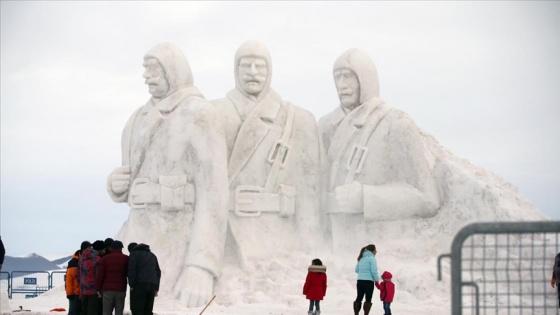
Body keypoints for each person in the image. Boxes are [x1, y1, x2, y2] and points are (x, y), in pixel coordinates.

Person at [106, 42, 228, 307]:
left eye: (153, 68)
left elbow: (214, 193)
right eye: (145, 69)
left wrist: (201, 266)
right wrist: (116, 185)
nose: (145, 76)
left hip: (176, 241)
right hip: (134, 236)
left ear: (172, 70)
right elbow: (129, 182)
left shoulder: (200, 113)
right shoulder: (135, 119)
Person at [317, 48, 441, 254]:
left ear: (364, 79)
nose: (342, 85)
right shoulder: (324, 126)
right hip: (330, 246)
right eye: (337, 78)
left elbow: (427, 198)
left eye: (348, 77)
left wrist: (366, 197)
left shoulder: (396, 123)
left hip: (379, 247)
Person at [212, 40, 322, 269]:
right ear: (236, 70)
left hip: (277, 237)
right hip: (224, 234)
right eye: (246, 65)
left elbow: (309, 192)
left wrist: (311, 246)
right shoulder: (212, 112)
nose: (253, 72)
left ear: (269, 70)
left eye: (260, 66)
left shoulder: (298, 119)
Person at [95, 241, 129, 315]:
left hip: (107, 290)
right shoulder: (126, 258)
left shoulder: (105, 258)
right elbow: (128, 273)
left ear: (111, 248)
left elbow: (100, 275)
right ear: (121, 248)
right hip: (121, 289)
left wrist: (98, 288)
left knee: (106, 312)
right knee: (119, 312)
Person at [128, 243, 161, 315]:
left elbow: (131, 269)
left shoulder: (134, 254)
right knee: (148, 310)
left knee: (137, 309)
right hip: (152, 286)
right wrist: (156, 288)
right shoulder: (152, 255)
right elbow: (158, 271)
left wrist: (131, 284)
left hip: (139, 285)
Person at [79, 240, 105, 315]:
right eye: (102, 249)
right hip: (94, 290)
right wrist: (99, 289)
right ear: (99, 249)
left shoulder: (81, 258)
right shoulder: (97, 259)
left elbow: (78, 274)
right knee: (92, 311)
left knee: (84, 310)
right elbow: (98, 275)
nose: (103, 251)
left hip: (84, 289)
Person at [354, 244, 379, 315]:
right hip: (369, 282)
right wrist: (376, 280)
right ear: (372, 250)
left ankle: (356, 313)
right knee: (368, 299)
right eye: (375, 250)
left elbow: (356, 270)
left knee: (359, 297)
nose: (376, 251)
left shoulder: (361, 258)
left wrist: (363, 272)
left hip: (360, 281)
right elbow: (374, 270)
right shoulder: (372, 258)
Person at [66, 250, 82, 315]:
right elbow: (69, 279)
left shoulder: (74, 262)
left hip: (76, 292)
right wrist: (69, 293)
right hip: (76, 293)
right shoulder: (74, 263)